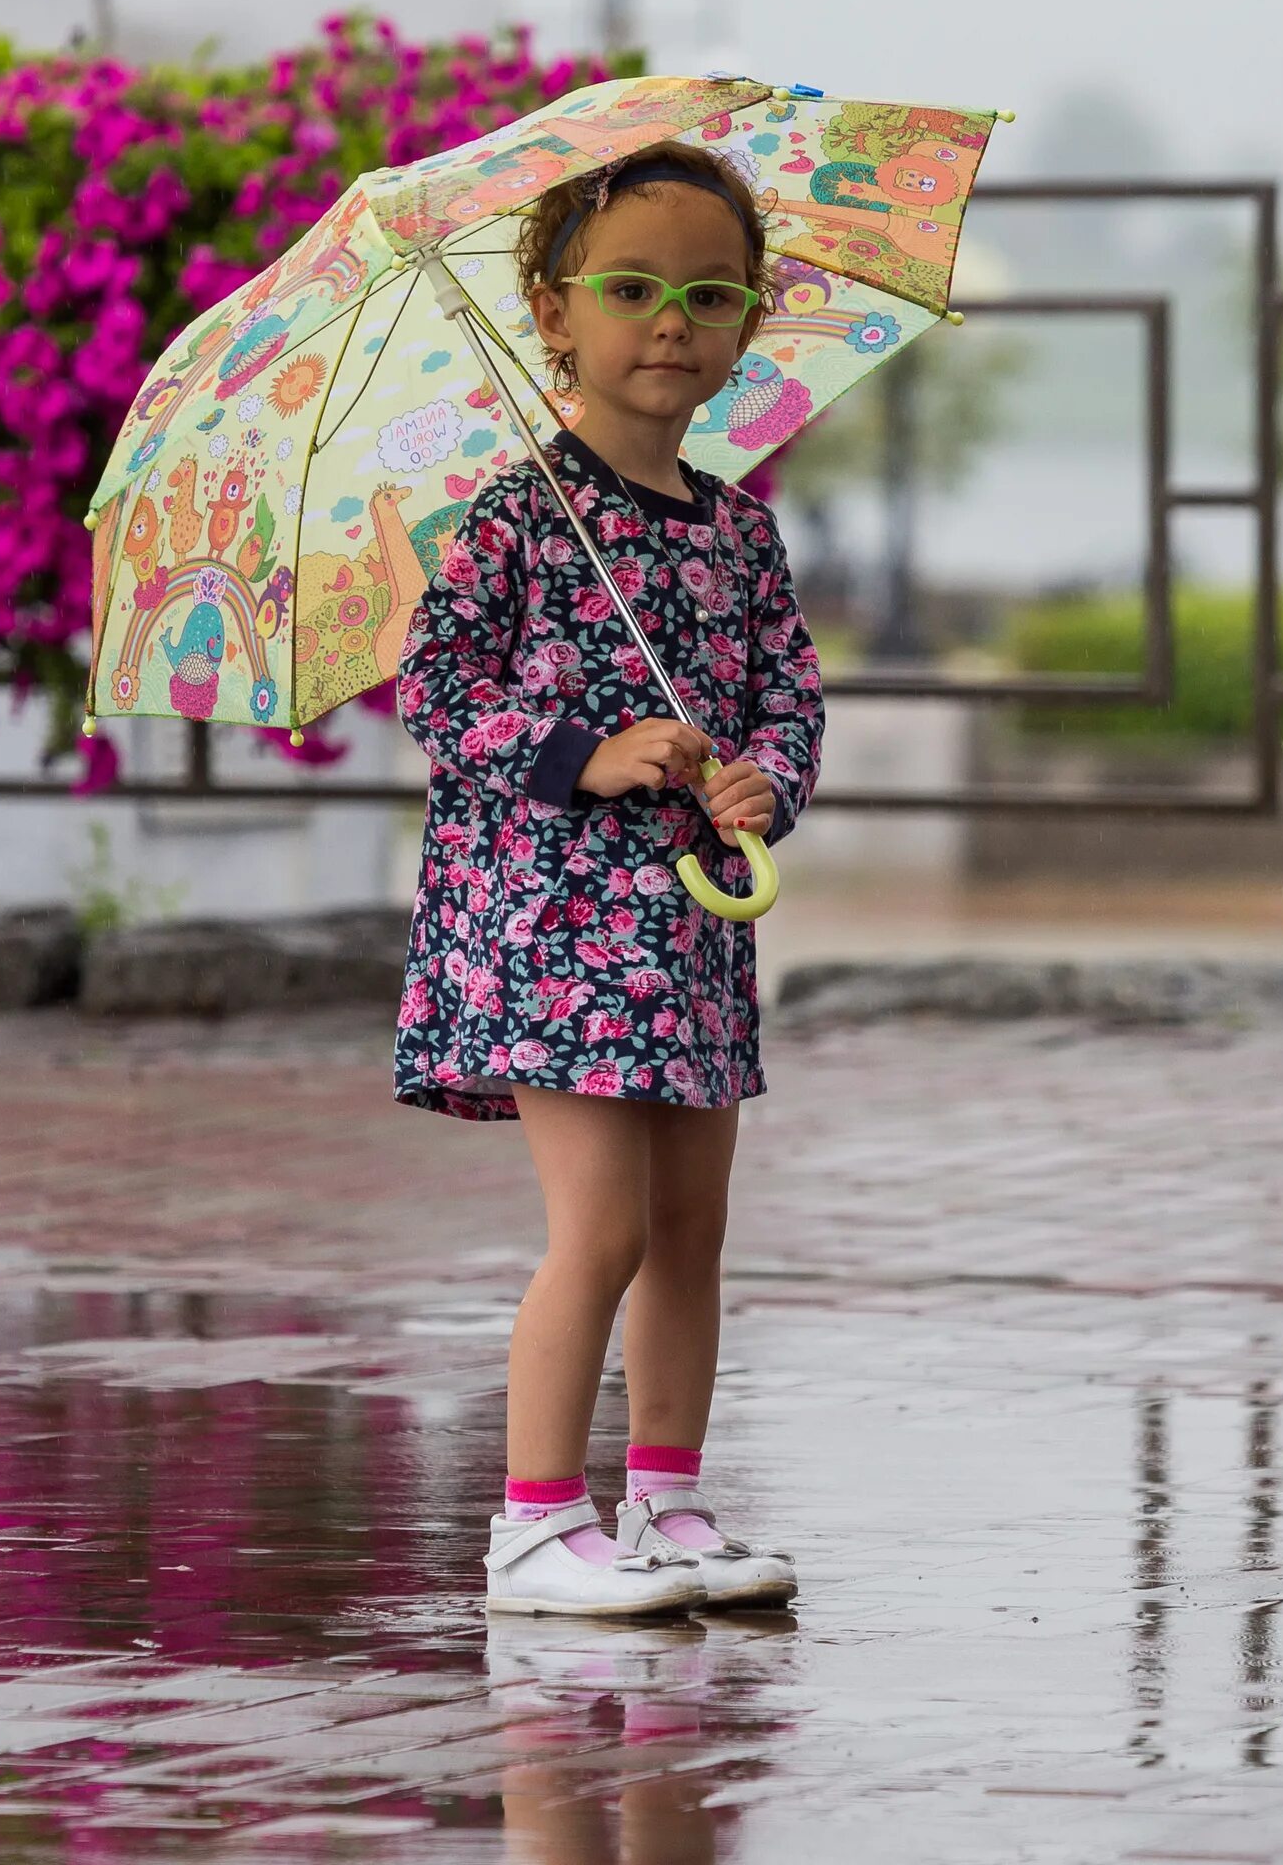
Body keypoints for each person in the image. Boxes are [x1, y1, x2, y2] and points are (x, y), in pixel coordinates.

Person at [392, 140, 823, 1618]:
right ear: (552, 310)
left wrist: (768, 774)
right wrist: (588, 749)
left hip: (690, 934)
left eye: (710, 293)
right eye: (632, 288)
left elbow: (790, 696)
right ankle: (530, 1524)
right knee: (606, 1229)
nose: (671, 323)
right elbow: (438, 696)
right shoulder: (514, 517)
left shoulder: (742, 532)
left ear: (749, 323)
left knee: (695, 1225)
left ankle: (670, 1499)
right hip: (549, 929)